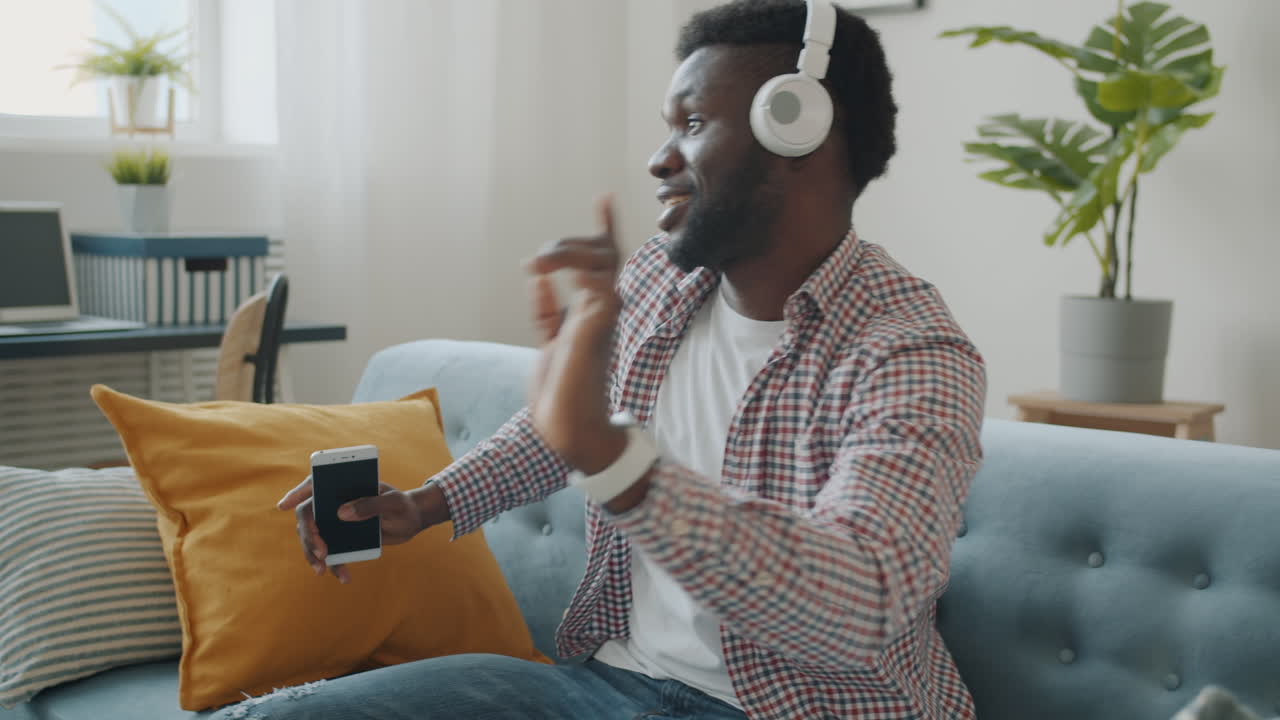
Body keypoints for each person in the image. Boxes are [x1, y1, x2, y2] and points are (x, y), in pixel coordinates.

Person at [223, 0, 986, 718]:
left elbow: (863, 604)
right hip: (611, 683)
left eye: (693, 123)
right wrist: (426, 505)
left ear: (797, 127)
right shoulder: (660, 278)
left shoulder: (911, 350)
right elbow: (562, 431)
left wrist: (616, 462)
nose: (659, 159)